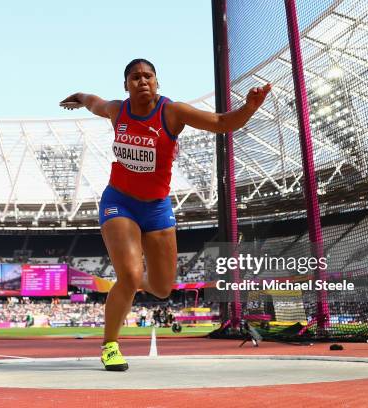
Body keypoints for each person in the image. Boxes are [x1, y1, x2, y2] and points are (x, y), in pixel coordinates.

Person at [60, 58, 271, 371]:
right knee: (130, 276)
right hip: (119, 202)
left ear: (157, 82)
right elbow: (94, 102)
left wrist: (249, 108)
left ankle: (132, 283)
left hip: (157, 208)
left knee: (161, 289)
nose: (142, 81)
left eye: (148, 76)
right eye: (135, 77)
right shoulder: (118, 110)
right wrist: (80, 96)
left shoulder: (172, 112)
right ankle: (110, 345)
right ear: (126, 85)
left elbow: (220, 123)